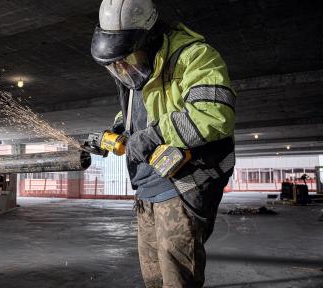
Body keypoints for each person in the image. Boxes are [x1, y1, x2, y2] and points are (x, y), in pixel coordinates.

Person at [90, 0, 236, 287]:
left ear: (150, 37)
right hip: (146, 191)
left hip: (180, 186)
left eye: (126, 59)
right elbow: (136, 115)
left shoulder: (194, 57)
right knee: (154, 279)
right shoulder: (137, 74)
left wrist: (154, 136)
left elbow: (215, 113)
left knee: (177, 281)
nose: (121, 68)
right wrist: (118, 129)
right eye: (115, 64)